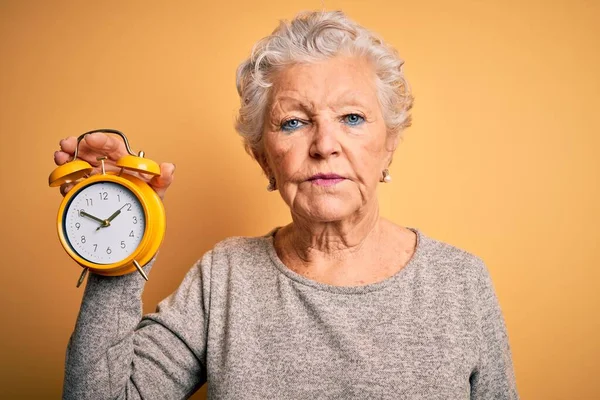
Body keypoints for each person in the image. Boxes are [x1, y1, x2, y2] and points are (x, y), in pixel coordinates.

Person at [55, 10, 519, 399]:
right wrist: (118, 239)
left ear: (389, 145)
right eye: (294, 122)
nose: (324, 145)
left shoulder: (461, 283)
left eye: (352, 118)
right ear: (263, 159)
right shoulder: (225, 277)